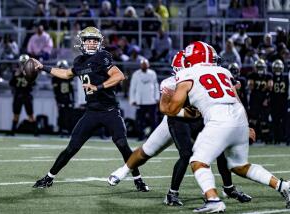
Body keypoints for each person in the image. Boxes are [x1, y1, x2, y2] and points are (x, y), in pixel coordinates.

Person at [159, 41, 290, 213]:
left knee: (198, 161)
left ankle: (213, 200)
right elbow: (237, 99)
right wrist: (246, 126)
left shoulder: (187, 73)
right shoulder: (224, 71)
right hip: (237, 117)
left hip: (218, 118)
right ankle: (283, 186)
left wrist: (164, 104)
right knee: (240, 166)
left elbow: (172, 109)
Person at [109, 51, 252, 206]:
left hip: (197, 122)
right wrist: (186, 112)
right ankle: (123, 171)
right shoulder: (172, 82)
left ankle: (225, 188)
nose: (210, 65)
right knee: (147, 151)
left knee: (215, 151)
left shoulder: (204, 77)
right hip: (174, 120)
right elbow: (164, 107)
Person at [31, 26, 148, 191]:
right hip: (91, 112)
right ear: (82, 42)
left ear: (99, 43)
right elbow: (65, 74)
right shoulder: (79, 61)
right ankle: (49, 178)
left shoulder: (103, 56)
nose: (92, 43)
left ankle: (138, 180)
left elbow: (119, 76)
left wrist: (98, 87)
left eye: (95, 40)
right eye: (88, 40)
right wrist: (43, 67)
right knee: (72, 148)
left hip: (110, 111)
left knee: (122, 144)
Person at [129, 58, 159, 141]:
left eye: (145, 65)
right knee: (140, 121)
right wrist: (132, 100)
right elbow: (132, 87)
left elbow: (156, 86)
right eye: (142, 65)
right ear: (140, 65)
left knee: (153, 121)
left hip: (151, 101)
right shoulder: (136, 74)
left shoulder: (152, 73)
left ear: (148, 65)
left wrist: (157, 97)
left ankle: (154, 138)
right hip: (140, 101)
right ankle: (140, 136)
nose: (144, 66)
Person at [8, 54, 37, 136]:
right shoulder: (15, 72)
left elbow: (33, 84)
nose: (23, 64)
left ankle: (36, 132)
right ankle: (13, 132)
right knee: (16, 114)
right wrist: (15, 76)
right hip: (18, 95)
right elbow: (11, 83)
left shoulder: (31, 71)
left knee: (30, 115)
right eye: (22, 62)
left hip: (26, 95)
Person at [248, 59, 273, 143]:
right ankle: (251, 138)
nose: (260, 69)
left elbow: (270, 88)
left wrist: (266, 98)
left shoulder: (268, 76)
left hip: (263, 98)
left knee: (264, 120)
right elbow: (250, 87)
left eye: (261, 67)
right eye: (259, 67)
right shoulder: (252, 75)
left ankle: (266, 138)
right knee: (253, 120)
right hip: (255, 98)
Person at [52, 60, 75, 136]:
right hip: (60, 98)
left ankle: (68, 130)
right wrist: (57, 101)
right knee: (61, 115)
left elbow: (71, 90)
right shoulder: (55, 78)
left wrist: (73, 100)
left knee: (69, 115)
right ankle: (61, 130)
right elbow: (56, 91)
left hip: (68, 98)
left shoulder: (69, 77)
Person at [270, 59, 288, 144]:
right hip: (277, 102)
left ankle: (280, 138)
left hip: (280, 101)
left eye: (278, 68)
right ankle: (277, 138)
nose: (277, 70)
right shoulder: (283, 77)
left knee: (281, 121)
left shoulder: (284, 77)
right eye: (276, 68)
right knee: (276, 121)